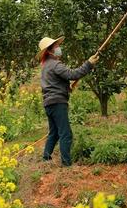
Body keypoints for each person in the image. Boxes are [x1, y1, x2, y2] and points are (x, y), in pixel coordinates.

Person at [37, 36, 99, 166]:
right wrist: (88, 64)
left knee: (54, 133)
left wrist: (66, 87)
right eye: (56, 46)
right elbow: (73, 74)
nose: (59, 48)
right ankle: (66, 164)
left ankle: (45, 159)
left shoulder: (46, 65)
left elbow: (53, 83)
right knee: (66, 134)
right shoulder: (55, 64)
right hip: (57, 102)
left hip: (49, 103)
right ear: (50, 50)